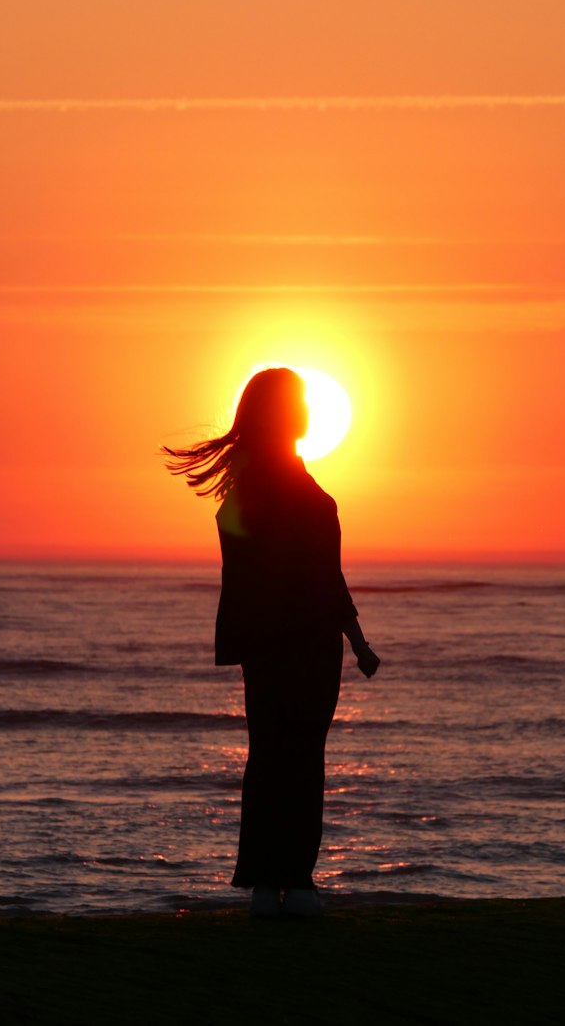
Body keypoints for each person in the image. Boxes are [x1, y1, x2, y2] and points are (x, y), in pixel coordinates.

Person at [164, 366, 380, 918]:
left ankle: (279, 881)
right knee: (290, 758)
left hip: (300, 639)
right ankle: (284, 883)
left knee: (286, 757)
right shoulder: (263, 486)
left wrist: (356, 641)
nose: (309, 410)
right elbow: (291, 568)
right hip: (289, 640)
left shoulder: (278, 480)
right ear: (283, 412)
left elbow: (328, 575)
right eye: (301, 401)